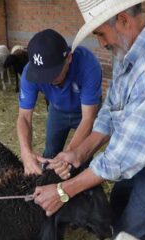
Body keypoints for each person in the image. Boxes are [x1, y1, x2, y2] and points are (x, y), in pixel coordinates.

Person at [33, 1, 145, 239]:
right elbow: (110, 112)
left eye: (102, 34)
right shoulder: (126, 53)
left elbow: (122, 158)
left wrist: (63, 191)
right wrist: (79, 153)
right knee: (115, 205)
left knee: (126, 234)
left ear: (124, 20)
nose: (102, 43)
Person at [17, 29, 102, 175]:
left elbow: (88, 118)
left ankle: (87, 189)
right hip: (57, 110)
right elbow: (24, 116)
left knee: (82, 157)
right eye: (42, 75)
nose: (48, 80)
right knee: (50, 154)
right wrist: (25, 152)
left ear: (68, 58)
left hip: (85, 113)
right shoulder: (29, 73)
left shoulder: (88, 65)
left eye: (53, 74)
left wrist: (69, 153)